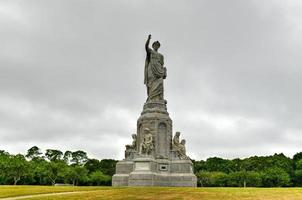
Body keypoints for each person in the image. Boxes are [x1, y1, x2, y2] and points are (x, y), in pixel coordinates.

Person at [144, 34, 167, 101]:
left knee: (160, 82)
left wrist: (164, 72)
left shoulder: (161, 56)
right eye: (155, 45)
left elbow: (161, 65)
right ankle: (151, 98)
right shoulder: (150, 52)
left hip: (159, 71)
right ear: (153, 46)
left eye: (157, 45)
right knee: (151, 83)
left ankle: (159, 99)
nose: (156, 46)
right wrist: (148, 39)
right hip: (151, 70)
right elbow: (146, 47)